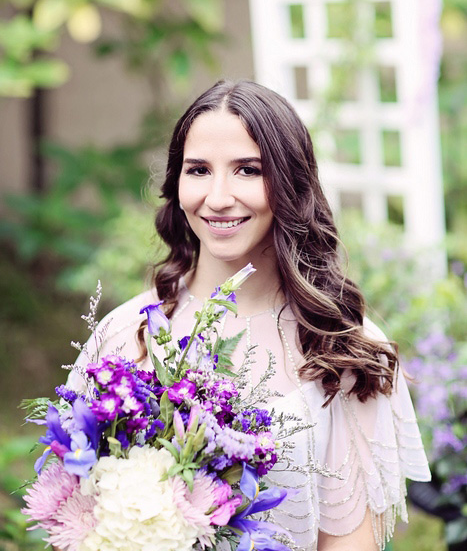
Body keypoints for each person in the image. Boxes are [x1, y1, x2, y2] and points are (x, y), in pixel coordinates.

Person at [69, 79, 431, 551]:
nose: (218, 197)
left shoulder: (343, 346)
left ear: (289, 183)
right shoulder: (122, 334)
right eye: (198, 170)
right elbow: (71, 522)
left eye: (247, 170)